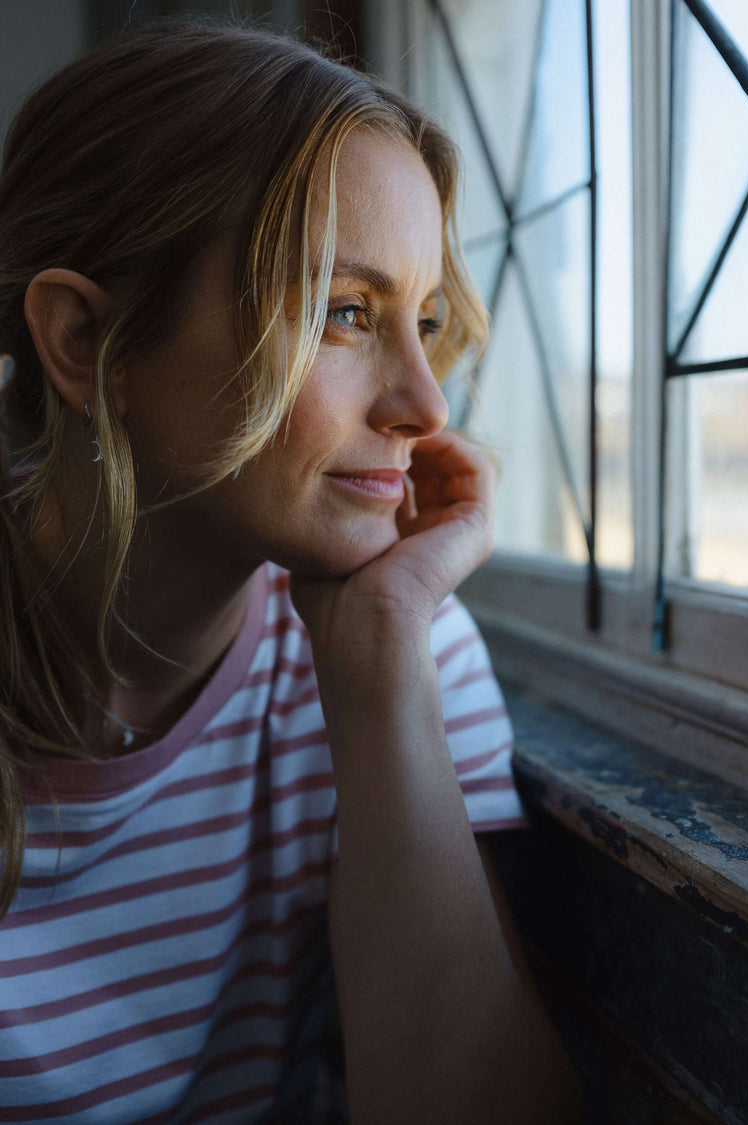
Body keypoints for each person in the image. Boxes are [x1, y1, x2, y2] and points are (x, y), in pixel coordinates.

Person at [0, 17, 584, 1124]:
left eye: (422, 321)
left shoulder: (399, 645)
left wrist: (375, 665)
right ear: (86, 343)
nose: (427, 407)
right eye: (346, 314)